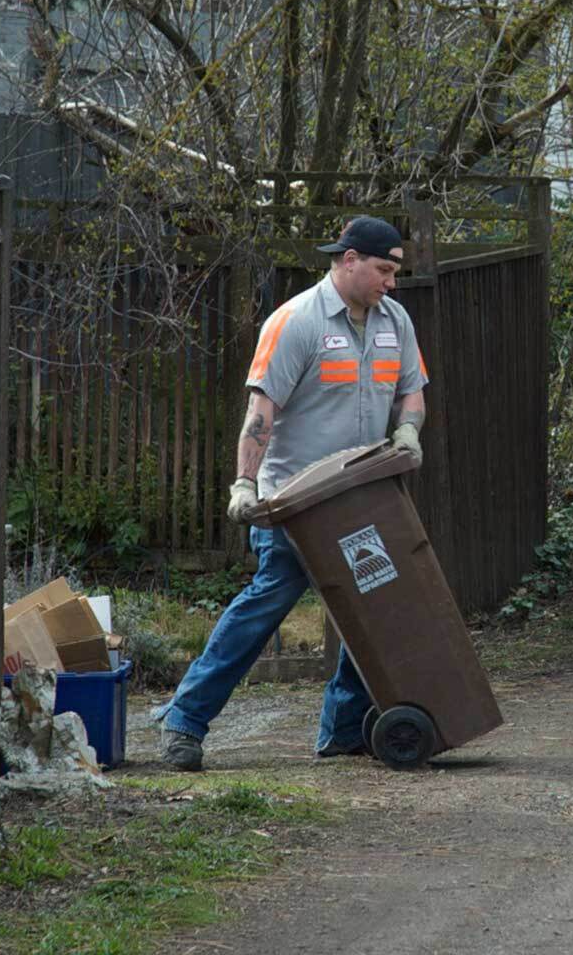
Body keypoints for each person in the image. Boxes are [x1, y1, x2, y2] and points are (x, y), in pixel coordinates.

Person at [159, 216, 428, 770]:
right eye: (384, 269)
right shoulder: (295, 323)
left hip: (362, 496)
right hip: (297, 506)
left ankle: (343, 730)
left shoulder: (394, 323)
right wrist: (243, 483)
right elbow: (261, 413)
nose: (391, 283)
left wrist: (406, 431)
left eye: (395, 272)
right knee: (262, 611)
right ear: (348, 260)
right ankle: (184, 723)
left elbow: (412, 392)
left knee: (374, 606)